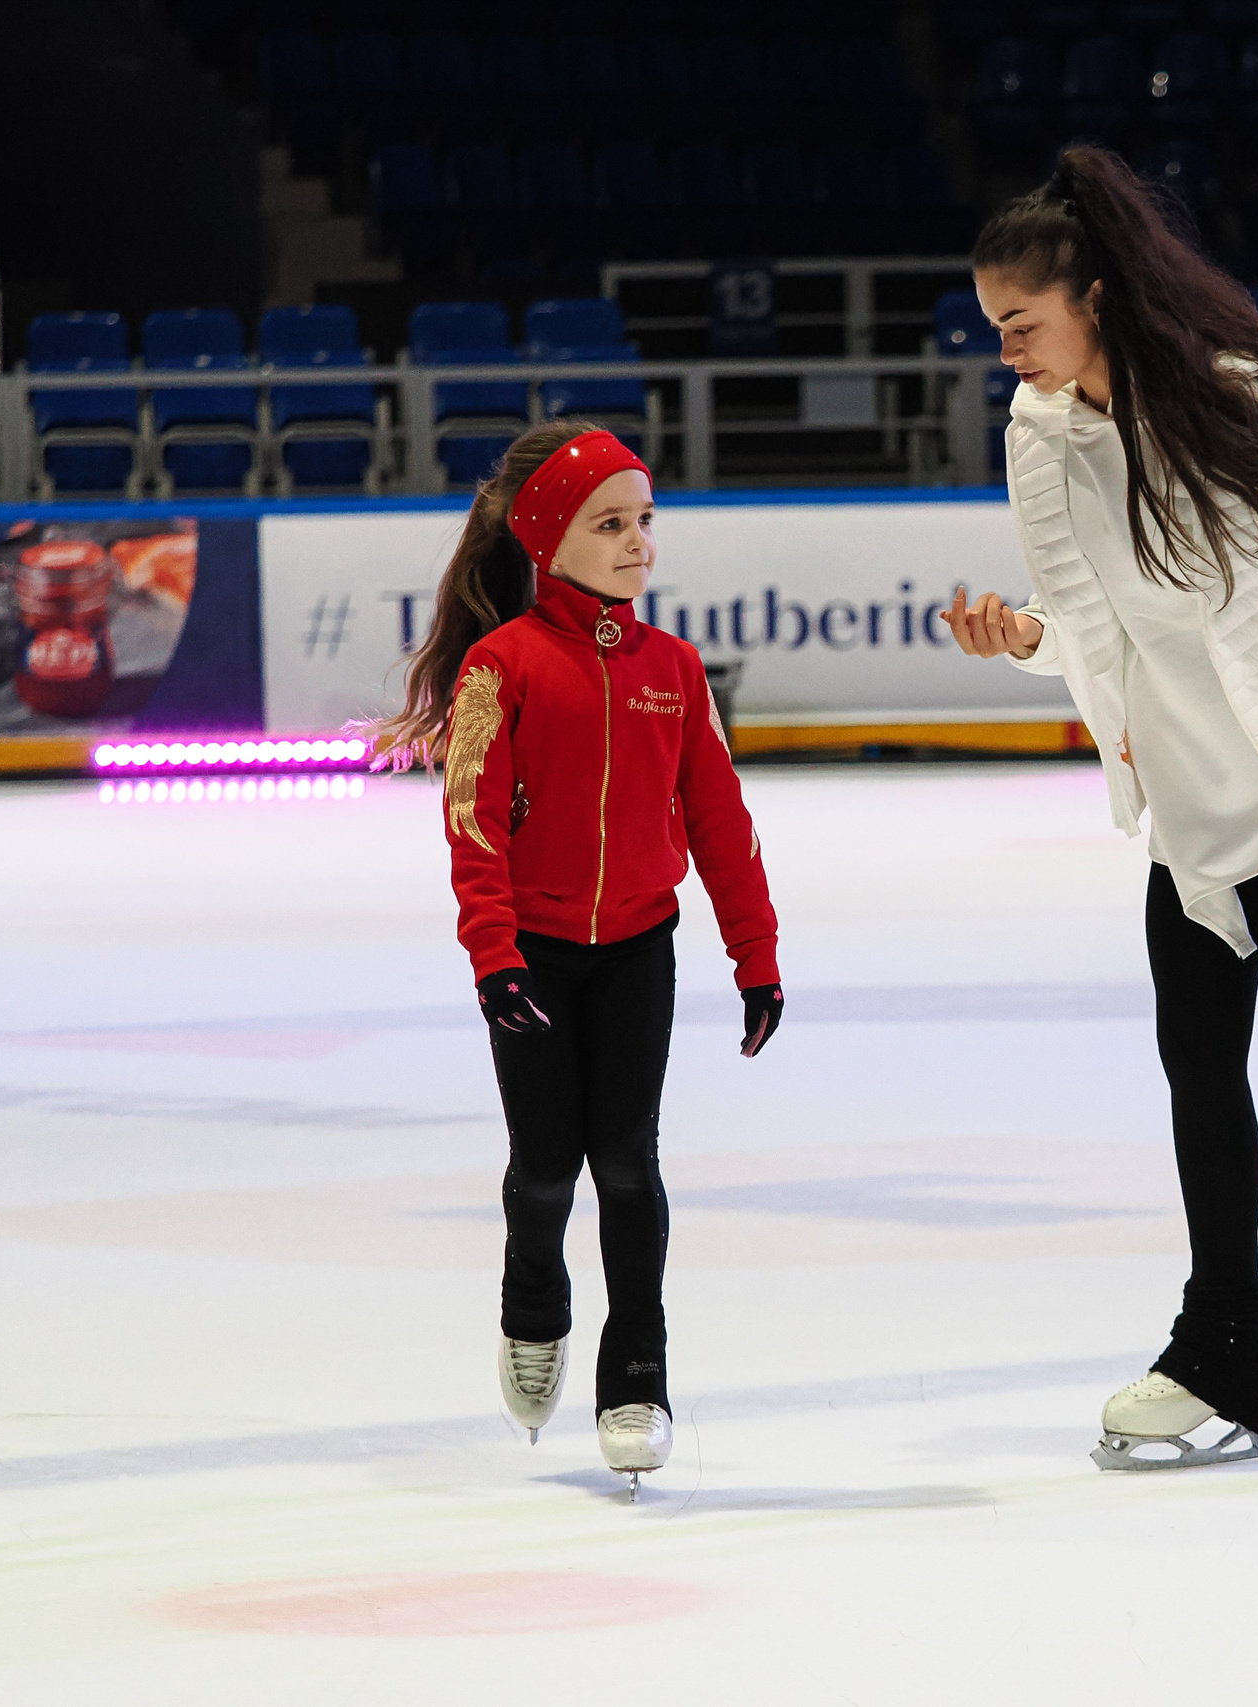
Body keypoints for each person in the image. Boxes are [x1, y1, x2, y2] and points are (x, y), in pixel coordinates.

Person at [940, 147, 1258, 1473]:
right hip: (1202, 799)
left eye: (1021, 325)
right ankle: (1223, 1349)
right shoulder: (1041, 437)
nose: (1008, 355)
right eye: (996, 330)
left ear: (1093, 298)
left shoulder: (1239, 404)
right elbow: (1094, 623)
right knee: (1199, 1059)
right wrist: (1022, 633)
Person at [365, 421, 782, 1498]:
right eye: (612, 524)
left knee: (630, 1163)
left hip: (641, 944)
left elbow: (720, 821)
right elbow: (471, 827)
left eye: (645, 520)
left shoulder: (674, 671)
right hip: (535, 961)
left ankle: (636, 1373)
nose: (639, 541)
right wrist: (493, 956)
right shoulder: (499, 668)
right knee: (548, 1165)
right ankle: (532, 1297)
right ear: (550, 542)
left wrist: (756, 953)